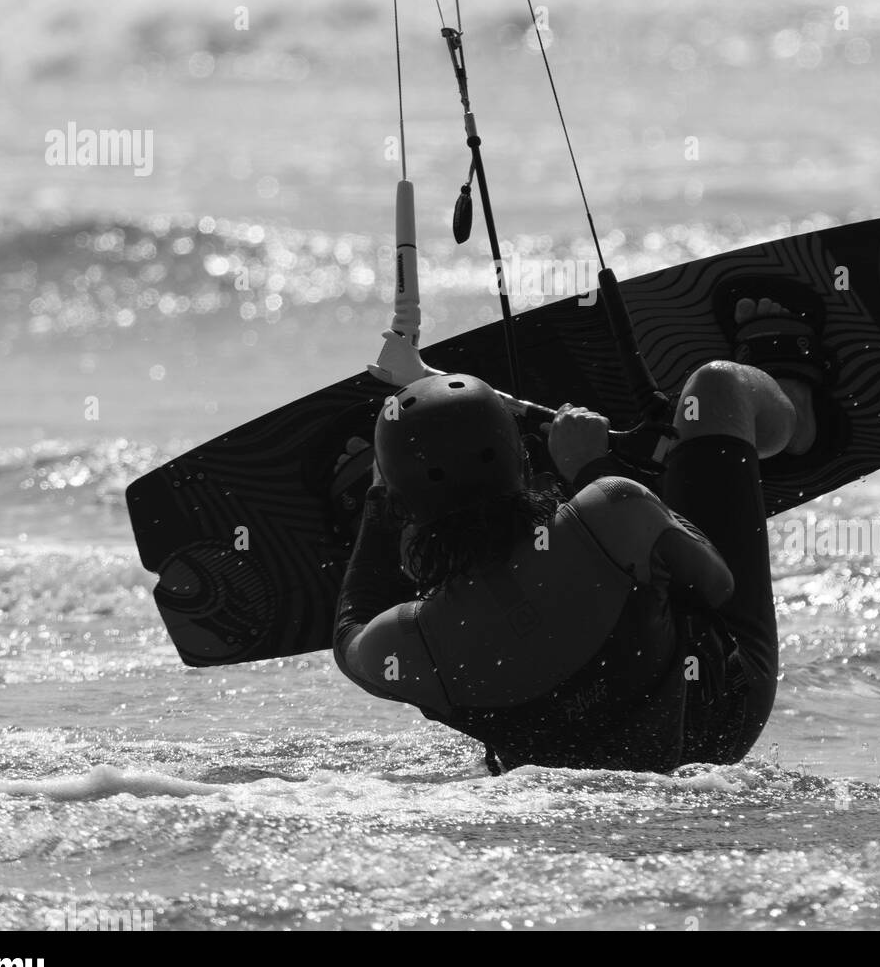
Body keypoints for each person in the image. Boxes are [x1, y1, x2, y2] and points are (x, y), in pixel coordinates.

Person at [332, 298, 819, 773]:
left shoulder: (407, 642)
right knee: (718, 384)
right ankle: (795, 414)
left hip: (562, 778)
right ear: (526, 462)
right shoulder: (609, 508)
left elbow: (349, 635)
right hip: (716, 721)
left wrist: (378, 510)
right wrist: (593, 470)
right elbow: (717, 586)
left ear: (400, 510)